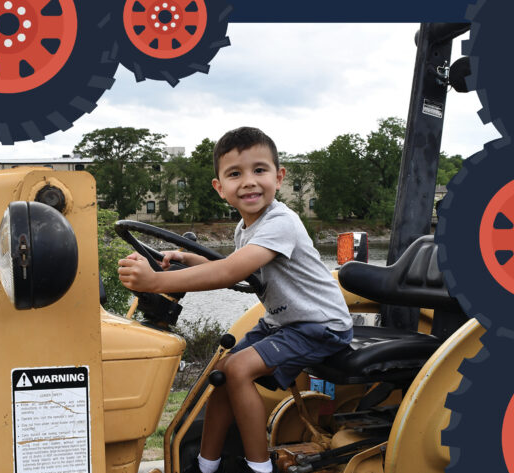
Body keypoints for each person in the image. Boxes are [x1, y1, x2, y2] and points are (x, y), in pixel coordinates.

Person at [117, 127, 354, 473]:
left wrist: (155, 281)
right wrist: (183, 259)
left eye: (259, 170)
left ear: (279, 176)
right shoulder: (247, 228)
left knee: (238, 369)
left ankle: (259, 467)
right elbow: (231, 268)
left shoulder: (281, 223)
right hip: (284, 323)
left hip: (319, 325)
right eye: (235, 174)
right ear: (220, 188)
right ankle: (205, 464)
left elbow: (230, 272)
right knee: (220, 373)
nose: (249, 182)